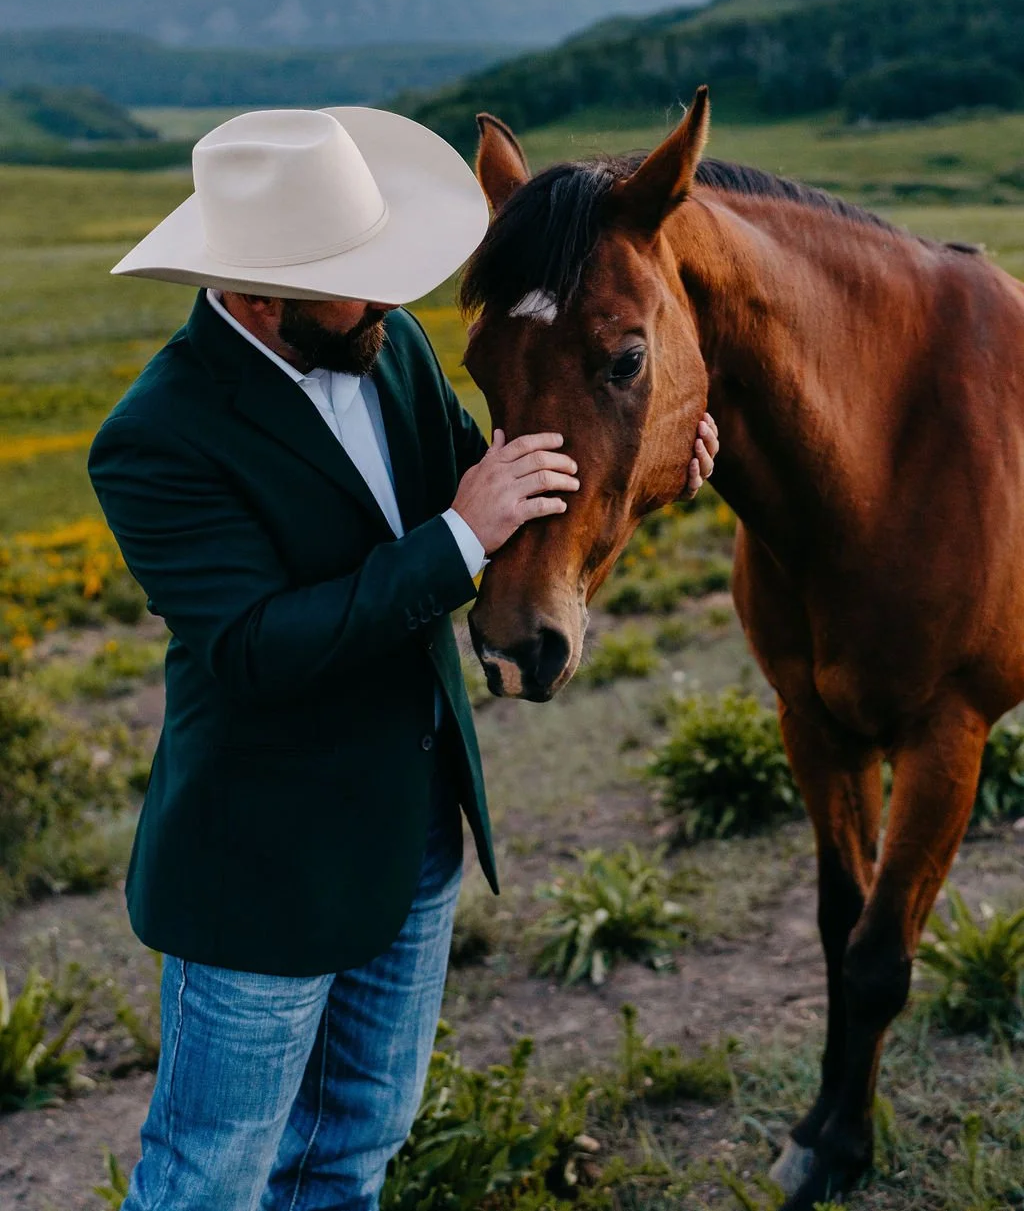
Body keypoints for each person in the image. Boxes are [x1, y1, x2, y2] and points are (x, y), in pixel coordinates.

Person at [88, 106, 718, 1211]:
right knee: (207, 1180)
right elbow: (250, 650)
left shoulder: (390, 349)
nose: (386, 296)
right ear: (254, 291)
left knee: (350, 1157)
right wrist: (457, 539)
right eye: (353, 278)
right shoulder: (158, 435)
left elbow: (497, 483)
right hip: (263, 876)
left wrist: (658, 454)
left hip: (416, 837)